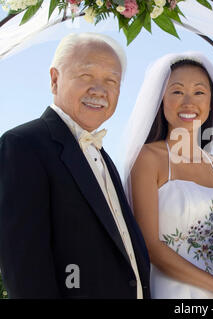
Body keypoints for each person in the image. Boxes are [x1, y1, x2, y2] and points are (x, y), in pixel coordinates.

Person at [0, 33, 150, 299]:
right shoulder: (22, 145)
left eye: (111, 81)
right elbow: (24, 268)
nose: (99, 90)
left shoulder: (104, 157)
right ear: (55, 79)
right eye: (86, 76)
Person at [122, 52, 213, 299]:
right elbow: (150, 246)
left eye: (199, 92)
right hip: (173, 290)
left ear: (212, 103)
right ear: (161, 99)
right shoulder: (147, 159)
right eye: (176, 91)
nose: (188, 102)